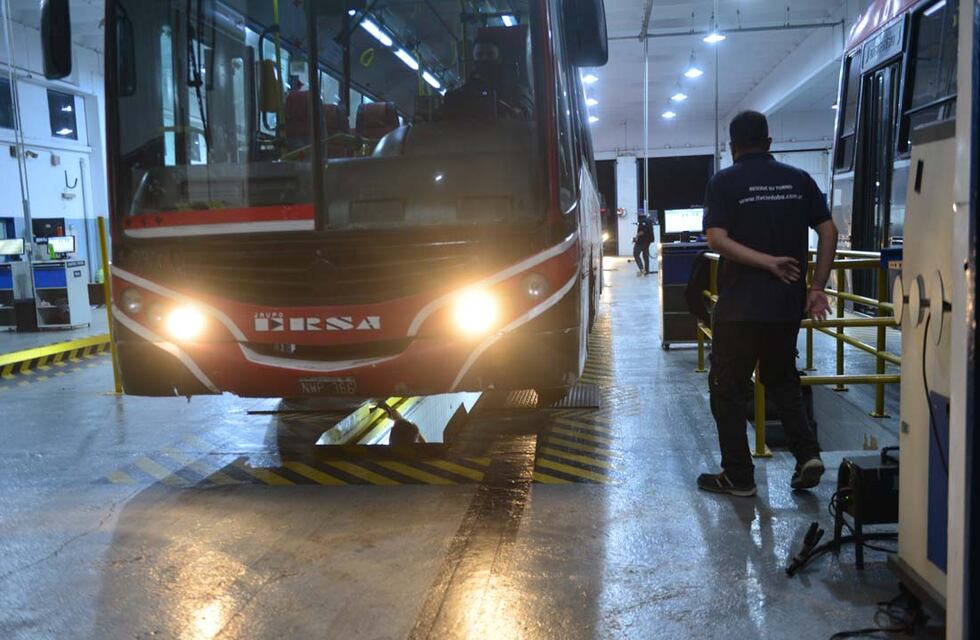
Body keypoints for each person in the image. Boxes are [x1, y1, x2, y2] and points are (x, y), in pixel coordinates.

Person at [697, 110, 838, 498]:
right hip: (785, 306)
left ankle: (739, 476)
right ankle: (807, 455)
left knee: (728, 389)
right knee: (782, 381)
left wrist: (765, 262)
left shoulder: (724, 182)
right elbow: (829, 230)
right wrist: (817, 286)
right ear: (770, 143)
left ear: (732, 146)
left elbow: (716, 239)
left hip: (740, 307)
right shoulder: (799, 180)